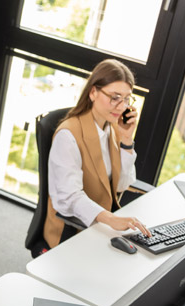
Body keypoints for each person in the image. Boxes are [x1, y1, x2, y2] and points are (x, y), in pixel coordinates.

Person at [44, 59, 152, 249]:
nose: (122, 106)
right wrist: (111, 220)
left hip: (103, 223)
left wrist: (127, 140)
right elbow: (70, 198)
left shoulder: (112, 128)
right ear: (93, 92)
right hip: (74, 229)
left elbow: (122, 184)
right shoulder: (68, 135)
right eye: (115, 97)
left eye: (127, 98)